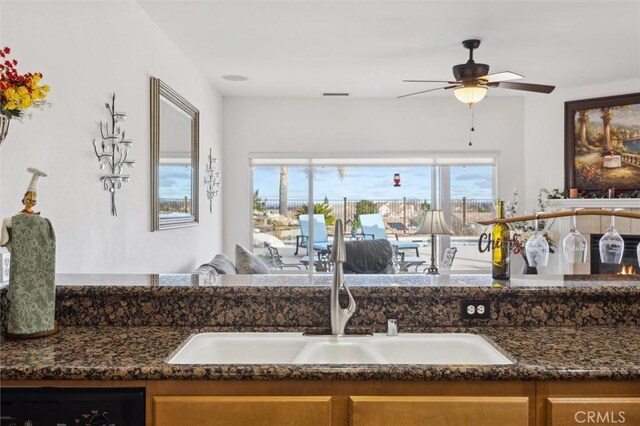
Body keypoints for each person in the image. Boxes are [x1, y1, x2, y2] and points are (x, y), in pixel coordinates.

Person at [0, 167, 47, 248]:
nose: (31, 199)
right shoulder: (20, 215)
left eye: (34, 197)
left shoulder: (36, 217)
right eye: (29, 196)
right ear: (24, 197)